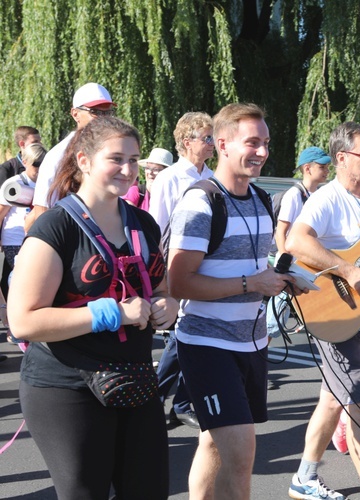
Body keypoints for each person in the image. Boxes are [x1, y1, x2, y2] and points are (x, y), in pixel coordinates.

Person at [8, 116, 178, 499]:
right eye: (116, 158)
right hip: (65, 386)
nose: (128, 169)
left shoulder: (144, 224)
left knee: (149, 491)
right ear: (83, 160)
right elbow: (23, 320)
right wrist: (114, 313)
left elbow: (161, 287)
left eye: (134, 160)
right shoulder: (56, 226)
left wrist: (168, 304)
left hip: (132, 377)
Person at [167, 102, 296, 499]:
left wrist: (285, 279)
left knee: (213, 444)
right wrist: (250, 283)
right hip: (208, 345)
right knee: (241, 456)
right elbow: (179, 283)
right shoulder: (201, 202)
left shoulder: (261, 200)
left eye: (266, 143)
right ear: (222, 144)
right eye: (252, 142)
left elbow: (258, 267)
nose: (261, 151)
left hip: (252, 343)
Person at [285, 122, 360, 500]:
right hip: (332, 314)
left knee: (332, 399)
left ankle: (304, 477)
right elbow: (296, 241)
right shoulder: (328, 199)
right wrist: (349, 269)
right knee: (359, 400)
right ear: (341, 158)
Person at [149, 111, 214, 429]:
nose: (213, 143)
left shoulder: (214, 176)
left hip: (209, 265)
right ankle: (157, 398)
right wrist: (158, 276)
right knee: (179, 337)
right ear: (187, 142)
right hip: (176, 265)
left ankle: (183, 402)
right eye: (207, 138)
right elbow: (155, 228)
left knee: (199, 334)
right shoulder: (169, 178)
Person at [25, 83, 116, 232]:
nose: (103, 119)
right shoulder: (58, 156)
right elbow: (43, 210)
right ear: (75, 114)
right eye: (95, 112)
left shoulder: (113, 150)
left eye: (107, 113)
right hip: (70, 238)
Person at [266, 145, 331, 341]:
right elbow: (281, 231)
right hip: (290, 263)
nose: (327, 171)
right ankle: (256, 357)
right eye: (322, 167)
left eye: (327, 167)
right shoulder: (295, 195)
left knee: (282, 315)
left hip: (302, 263)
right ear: (307, 168)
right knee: (274, 319)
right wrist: (286, 265)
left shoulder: (317, 196)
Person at [0, 143, 46, 298]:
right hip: (14, 239)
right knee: (22, 279)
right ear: (25, 162)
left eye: (43, 163)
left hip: (37, 238)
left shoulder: (47, 183)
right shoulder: (13, 184)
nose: (39, 168)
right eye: (36, 164)